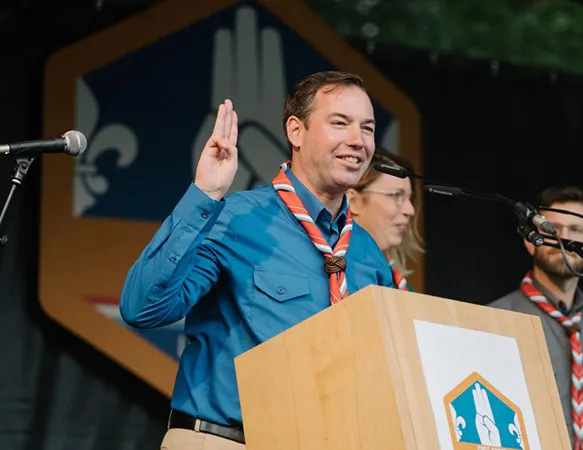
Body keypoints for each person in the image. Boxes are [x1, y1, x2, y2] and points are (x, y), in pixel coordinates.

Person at [119, 71, 395, 449]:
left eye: (367, 128)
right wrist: (204, 195)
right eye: (339, 123)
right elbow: (143, 309)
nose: (357, 141)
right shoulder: (234, 217)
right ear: (296, 132)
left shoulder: (367, 255)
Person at [488, 185, 583, 450]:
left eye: (575, 230)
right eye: (553, 228)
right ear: (530, 240)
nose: (563, 238)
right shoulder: (494, 320)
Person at [347, 148, 424, 291]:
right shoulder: (332, 275)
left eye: (409, 198)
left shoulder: (403, 289)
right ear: (353, 201)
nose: (410, 210)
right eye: (395, 195)